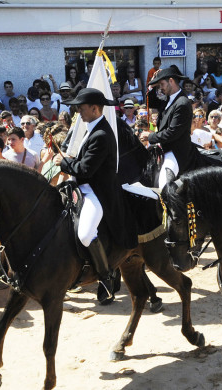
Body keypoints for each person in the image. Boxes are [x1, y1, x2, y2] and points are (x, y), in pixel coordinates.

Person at [54, 88, 137, 303]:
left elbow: (85, 169)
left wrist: (63, 162)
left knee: (85, 233)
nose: (79, 111)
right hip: (82, 186)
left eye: (81, 108)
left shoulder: (100, 134)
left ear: (94, 108)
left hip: (97, 192)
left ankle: (106, 275)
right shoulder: (92, 129)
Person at [141, 67, 201, 188]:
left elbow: (172, 133)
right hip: (164, 147)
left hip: (176, 151)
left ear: (171, 81)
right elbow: (151, 102)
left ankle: (170, 206)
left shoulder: (182, 103)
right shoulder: (167, 99)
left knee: (164, 184)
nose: (161, 88)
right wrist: (152, 84)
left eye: (162, 84)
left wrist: (150, 136)